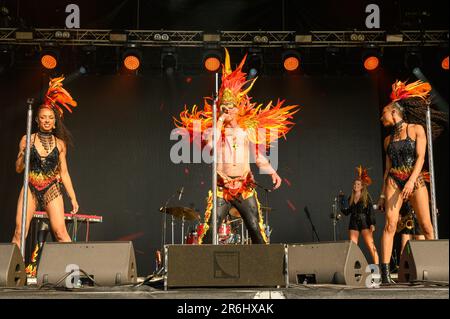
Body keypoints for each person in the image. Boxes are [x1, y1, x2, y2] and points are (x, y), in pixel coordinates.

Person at [174, 48, 299, 244]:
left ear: (238, 108)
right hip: (222, 188)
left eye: (231, 107)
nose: (228, 110)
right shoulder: (214, 129)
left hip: (244, 187)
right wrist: (220, 119)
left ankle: (265, 269)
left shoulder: (247, 131)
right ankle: (201, 271)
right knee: (209, 231)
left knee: (255, 228)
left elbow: (258, 158)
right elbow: (210, 143)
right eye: (224, 108)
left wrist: (272, 172)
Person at [378, 80, 447, 284]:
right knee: (390, 225)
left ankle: (436, 269)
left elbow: (420, 158)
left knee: (427, 226)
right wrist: (382, 194)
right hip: (394, 180)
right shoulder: (387, 141)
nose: (381, 117)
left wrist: (410, 182)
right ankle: (384, 274)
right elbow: (388, 169)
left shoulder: (417, 129)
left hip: (414, 181)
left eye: (384, 113)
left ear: (393, 112)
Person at [12, 77, 79, 276]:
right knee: (19, 231)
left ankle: (73, 273)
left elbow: (64, 173)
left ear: (54, 120)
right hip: (30, 187)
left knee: (60, 232)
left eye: (50, 117)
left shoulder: (60, 144)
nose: (47, 121)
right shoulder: (27, 139)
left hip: (51, 189)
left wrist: (73, 197)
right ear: (37, 120)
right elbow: (17, 169)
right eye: (43, 117)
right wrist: (23, 155)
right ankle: (13, 272)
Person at [339, 166, 379, 264]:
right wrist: (342, 201)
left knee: (370, 245)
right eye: (355, 184)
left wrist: (372, 224)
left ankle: (377, 267)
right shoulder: (351, 198)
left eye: (358, 184)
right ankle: (355, 268)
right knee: (353, 247)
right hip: (353, 222)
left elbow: (371, 211)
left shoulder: (366, 197)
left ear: (361, 186)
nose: (355, 185)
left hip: (364, 222)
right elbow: (346, 212)